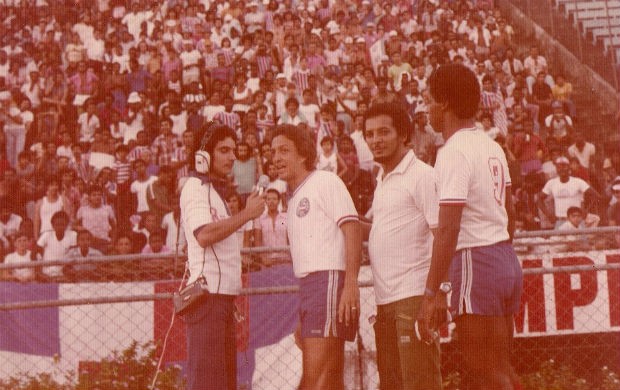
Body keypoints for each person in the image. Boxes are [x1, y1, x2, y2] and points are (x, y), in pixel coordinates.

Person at [418, 64, 523, 390]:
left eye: (428, 99)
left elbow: (448, 229)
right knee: (500, 368)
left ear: (445, 103)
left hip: (477, 260)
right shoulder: (491, 146)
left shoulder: (453, 152)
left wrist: (431, 291)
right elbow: (510, 214)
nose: (426, 108)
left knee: (484, 372)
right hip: (504, 259)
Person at [271, 124, 361, 390]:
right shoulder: (294, 197)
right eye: (273, 152)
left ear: (303, 154)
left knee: (315, 380)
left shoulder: (325, 181)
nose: (276, 158)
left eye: (284, 150)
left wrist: (352, 284)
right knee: (330, 380)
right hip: (311, 287)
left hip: (329, 282)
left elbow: (352, 227)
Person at [361, 103, 442, 390]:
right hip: (385, 303)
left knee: (420, 385)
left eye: (384, 132)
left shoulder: (422, 175)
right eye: (369, 134)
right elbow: (386, 231)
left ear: (403, 135)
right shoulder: (383, 179)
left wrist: (434, 295)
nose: (375, 140)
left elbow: (442, 236)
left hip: (413, 297)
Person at [179, 124, 265, 390]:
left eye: (233, 150)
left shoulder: (213, 192)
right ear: (203, 156)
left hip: (222, 298)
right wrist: (246, 215)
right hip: (208, 299)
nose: (231, 157)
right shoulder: (194, 188)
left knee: (224, 383)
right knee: (208, 382)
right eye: (223, 150)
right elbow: (203, 235)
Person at [537, 156, 600, 228]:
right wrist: (548, 215)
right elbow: (539, 199)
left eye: (564, 166)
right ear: (556, 169)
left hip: (576, 220)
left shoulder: (578, 181)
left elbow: (596, 196)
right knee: (559, 239)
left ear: (569, 167)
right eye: (559, 167)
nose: (561, 169)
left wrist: (586, 211)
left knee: (579, 239)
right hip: (560, 220)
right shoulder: (551, 183)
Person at [253, 188, 291, 267]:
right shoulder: (259, 219)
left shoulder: (286, 218)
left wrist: (290, 258)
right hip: (267, 262)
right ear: (265, 201)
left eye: (274, 199)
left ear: (279, 201)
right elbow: (257, 242)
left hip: (285, 260)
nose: (271, 202)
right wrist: (263, 259)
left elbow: (290, 239)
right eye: (268, 199)